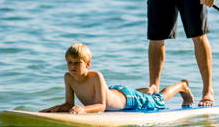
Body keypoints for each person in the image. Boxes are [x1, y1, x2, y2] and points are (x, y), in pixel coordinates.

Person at [40, 44, 194, 113]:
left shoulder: (96, 76)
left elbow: (101, 106)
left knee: (157, 100)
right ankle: (147, 90)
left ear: (87, 64)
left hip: (128, 98)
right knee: (149, 94)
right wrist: (57, 108)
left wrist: (84, 109)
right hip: (113, 91)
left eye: (77, 63)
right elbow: (69, 103)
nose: (72, 67)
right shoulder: (68, 78)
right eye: (69, 63)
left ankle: (181, 86)